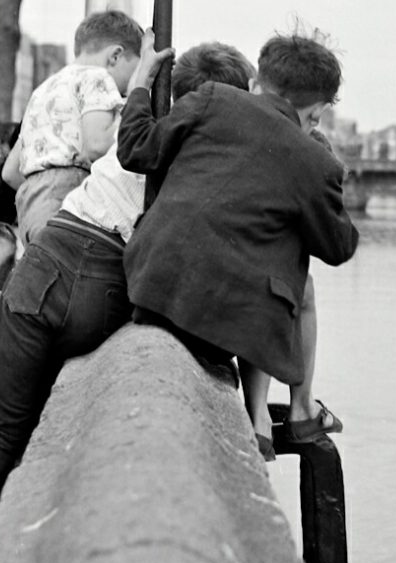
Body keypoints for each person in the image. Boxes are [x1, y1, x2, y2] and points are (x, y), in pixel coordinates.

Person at [0, 40, 255, 563]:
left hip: (46, 256)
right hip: (102, 276)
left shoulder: (142, 126)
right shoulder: (204, 153)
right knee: (46, 426)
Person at [117, 29, 359, 457]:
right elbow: (338, 248)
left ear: (257, 81)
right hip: (224, 328)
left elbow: (137, 149)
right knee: (288, 235)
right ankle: (292, 410)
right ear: (315, 112)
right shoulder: (313, 159)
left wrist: (140, 83)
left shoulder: (211, 98)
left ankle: (275, 412)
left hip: (147, 287)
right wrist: (324, 170)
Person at [2, 10, 143, 246]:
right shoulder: (98, 77)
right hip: (68, 197)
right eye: (133, 72)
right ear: (116, 56)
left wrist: (40, 192)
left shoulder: (43, 90)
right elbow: (96, 147)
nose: (127, 88)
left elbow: (10, 172)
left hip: (30, 205)